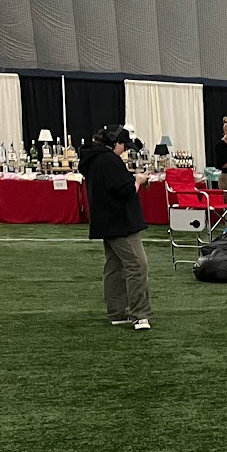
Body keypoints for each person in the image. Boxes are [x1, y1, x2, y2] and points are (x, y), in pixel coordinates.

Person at [82, 125, 152, 330]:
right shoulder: (109, 160)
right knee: (137, 265)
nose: (125, 150)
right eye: (124, 146)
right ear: (115, 142)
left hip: (107, 221)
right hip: (121, 222)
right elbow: (124, 189)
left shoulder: (95, 158)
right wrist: (138, 180)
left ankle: (117, 312)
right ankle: (139, 314)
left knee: (114, 267)